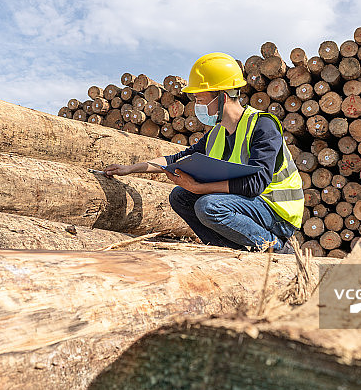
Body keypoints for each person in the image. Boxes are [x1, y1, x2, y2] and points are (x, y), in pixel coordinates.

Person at [104, 52, 304, 252]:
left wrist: (199, 188)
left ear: (222, 97)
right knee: (179, 196)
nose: (197, 105)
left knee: (208, 206)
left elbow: (255, 184)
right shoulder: (217, 133)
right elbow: (176, 159)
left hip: (277, 212)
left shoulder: (263, 126)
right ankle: (235, 252)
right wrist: (130, 169)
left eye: (200, 98)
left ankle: (275, 247)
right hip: (250, 204)